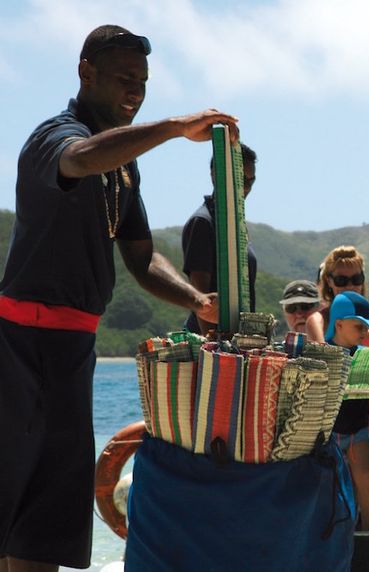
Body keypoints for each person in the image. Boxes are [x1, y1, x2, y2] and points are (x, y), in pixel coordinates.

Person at [0, 25, 238, 571]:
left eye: (143, 82)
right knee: (25, 504)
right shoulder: (55, 137)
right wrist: (177, 127)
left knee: (42, 515)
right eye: (124, 79)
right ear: (85, 72)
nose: (135, 91)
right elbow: (80, 159)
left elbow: (141, 257)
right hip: (24, 342)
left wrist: (197, 298)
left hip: (73, 346)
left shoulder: (124, 168)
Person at [308, 245, 369, 530]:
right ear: (328, 281)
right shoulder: (319, 320)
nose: (349, 284)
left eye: (355, 278)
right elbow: (324, 360)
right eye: (341, 280)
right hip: (338, 424)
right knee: (340, 512)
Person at [181, 143, 258, 334]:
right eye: (240, 180)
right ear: (216, 176)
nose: (246, 188)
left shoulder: (234, 225)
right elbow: (202, 299)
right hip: (213, 345)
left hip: (237, 339)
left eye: (250, 181)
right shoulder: (203, 223)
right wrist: (215, 348)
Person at [325, 291, 369, 531]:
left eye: (365, 328)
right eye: (358, 327)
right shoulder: (323, 353)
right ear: (338, 324)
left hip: (358, 433)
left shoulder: (364, 354)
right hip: (329, 436)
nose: (363, 333)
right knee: (332, 497)